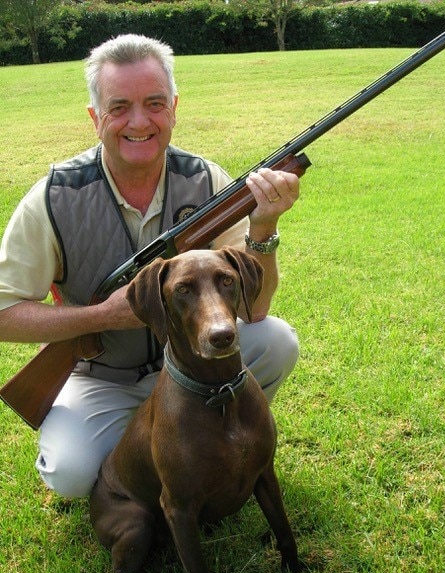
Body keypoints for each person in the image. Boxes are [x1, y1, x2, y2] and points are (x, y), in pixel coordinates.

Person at [0, 34, 300, 499]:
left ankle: (220, 439)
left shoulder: (208, 182)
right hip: (102, 377)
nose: (139, 121)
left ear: (174, 108)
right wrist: (100, 316)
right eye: (119, 106)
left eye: (154, 103)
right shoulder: (52, 199)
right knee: (70, 473)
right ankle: (142, 466)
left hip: (196, 369)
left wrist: (262, 231)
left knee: (276, 341)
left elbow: (255, 311)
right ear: (94, 116)